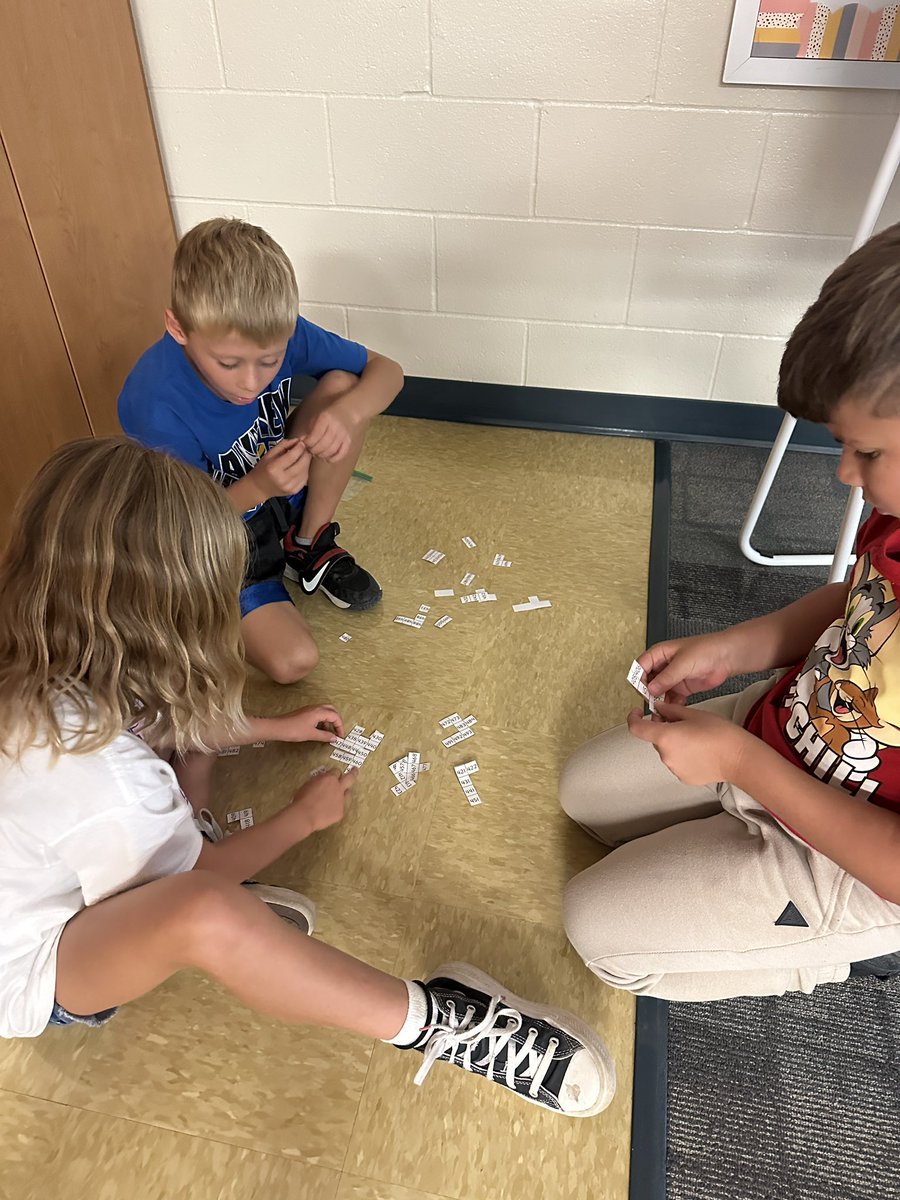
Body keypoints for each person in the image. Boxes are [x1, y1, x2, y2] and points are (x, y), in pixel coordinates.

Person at [0, 436, 615, 1118]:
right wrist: (302, 818)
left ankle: (176, 848)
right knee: (207, 912)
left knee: (193, 745)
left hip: (43, 862)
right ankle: (440, 1022)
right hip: (36, 970)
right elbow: (195, 875)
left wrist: (272, 728)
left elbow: (162, 726)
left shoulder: (43, 642)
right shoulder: (102, 778)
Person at [560, 223, 900, 1002]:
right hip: (787, 727)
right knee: (584, 795)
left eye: (867, 453)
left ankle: (847, 949)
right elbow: (856, 602)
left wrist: (740, 765)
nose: (845, 474)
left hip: (854, 861)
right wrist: (735, 650)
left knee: (599, 932)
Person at [118, 218, 404, 686]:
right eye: (228, 364)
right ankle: (233, 594)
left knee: (344, 385)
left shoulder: (283, 330)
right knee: (293, 662)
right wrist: (257, 487)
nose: (252, 383)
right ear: (178, 327)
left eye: (270, 362)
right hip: (215, 531)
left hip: (277, 483)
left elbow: (386, 371)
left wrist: (349, 413)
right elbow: (177, 525)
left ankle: (307, 545)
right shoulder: (152, 401)